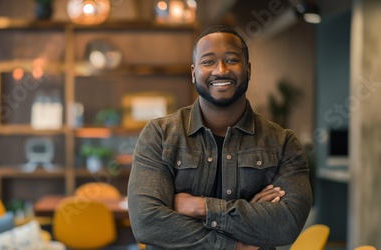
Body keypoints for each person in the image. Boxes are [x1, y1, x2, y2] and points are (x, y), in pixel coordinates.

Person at [127, 25, 312, 250]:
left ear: (248, 70)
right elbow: (147, 223)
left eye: (232, 60)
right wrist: (235, 245)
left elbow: (287, 225)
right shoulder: (160, 135)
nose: (221, 70)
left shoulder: (282, 143)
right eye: (208, 62)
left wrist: (201, 207)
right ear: (194, 72)